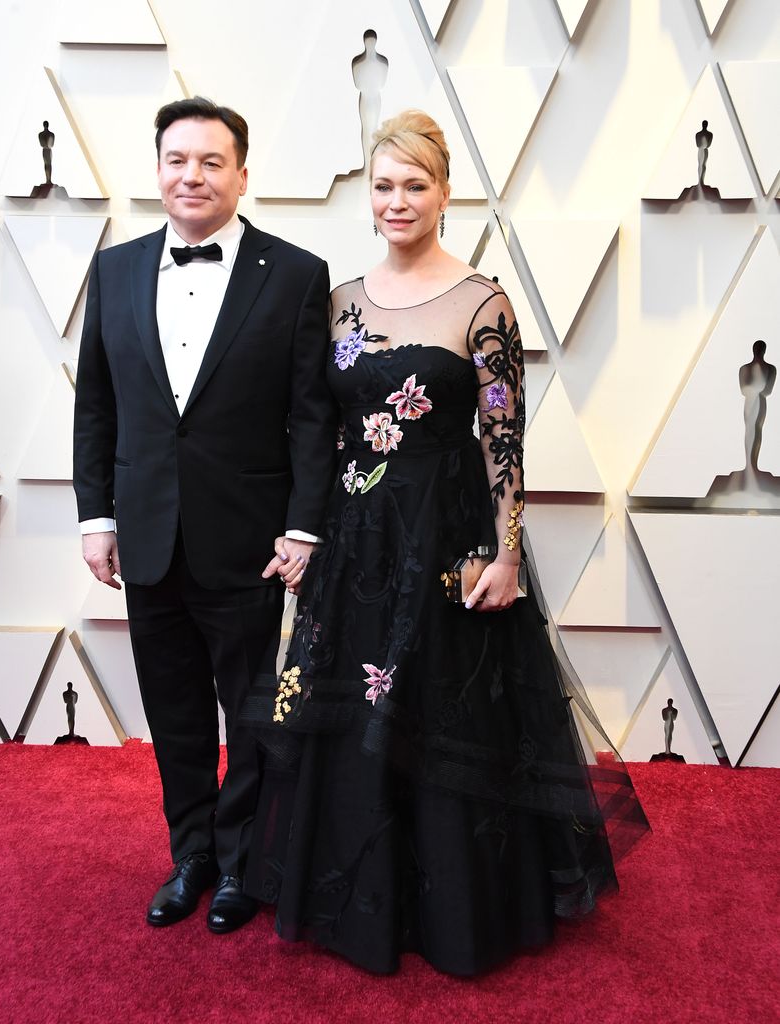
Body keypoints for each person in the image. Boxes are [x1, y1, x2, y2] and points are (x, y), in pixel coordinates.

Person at [241, 110, 649, 976]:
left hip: (445, 538)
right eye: (382, 185)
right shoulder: (340, 299)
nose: (396, 201)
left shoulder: (480, 300)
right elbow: (315, 428)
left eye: (413, 185)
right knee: (351, 713)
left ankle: (455, 908)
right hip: (355, 545)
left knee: (442, 708)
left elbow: (505, 443)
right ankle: (359, 896)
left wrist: (504, 555)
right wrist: (305, 532)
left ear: (443, 193)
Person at [72, 97, 336, 933]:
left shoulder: (294, 273)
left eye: (211, 162)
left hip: (249, 541)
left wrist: (302, 527)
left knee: (251, 715)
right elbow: (97, 408)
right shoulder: (113, 270)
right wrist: (95, 518)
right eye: (177, 160)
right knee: (174, 713)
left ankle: (242, 865)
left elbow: (312, 414)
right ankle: (191, 855)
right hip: (145, 538)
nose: (193, 176)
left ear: (242, 174)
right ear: (158, 170)